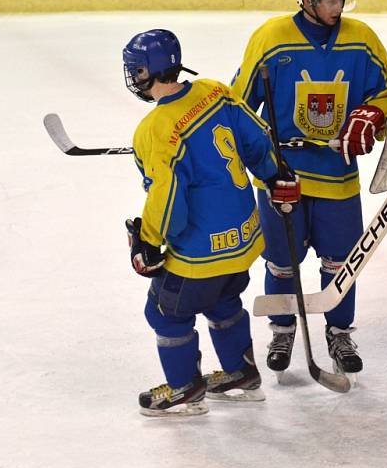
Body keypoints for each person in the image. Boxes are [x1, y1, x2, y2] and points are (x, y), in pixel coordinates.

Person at [231, 0, 387, 379]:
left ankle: (339, 333)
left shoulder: (362, 40)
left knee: (340, 263)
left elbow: (384, 94)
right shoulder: (271, 39)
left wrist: (369, 116)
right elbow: (240, 105)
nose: (338, 6)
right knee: (281, 262)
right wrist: (251, 153)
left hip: (337, 174)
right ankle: (283, 329)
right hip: (282, 174)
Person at [123, 29, 300, 416]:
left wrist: (149, 242)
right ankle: (241, 374)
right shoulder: (214, 91)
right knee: (224, 303)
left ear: (146, 72)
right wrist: (273, 175)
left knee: (166, 314)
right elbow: (256, 138)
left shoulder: (155, 130)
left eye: (135, 70)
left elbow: (168, 200)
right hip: (242, 241)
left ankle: (185, 388)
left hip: (200, 253)